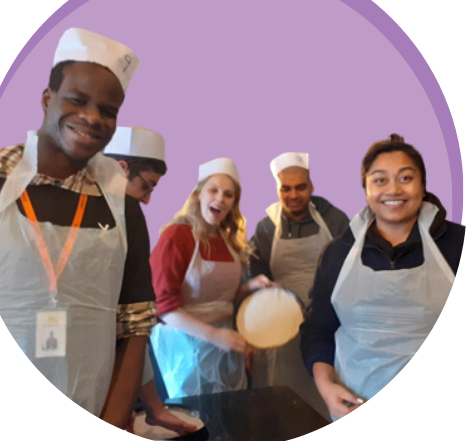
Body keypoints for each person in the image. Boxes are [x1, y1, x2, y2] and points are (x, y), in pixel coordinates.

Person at [0, 28, 156, 430]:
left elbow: (135, 325)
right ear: (46, 99)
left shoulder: (122, 205)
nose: (92, 117)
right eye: (77, 100)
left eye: (107, 110)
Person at [300, 134, 465, 421]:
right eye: (379, 180)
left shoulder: (457, 244)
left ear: (422, 186)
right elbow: (318, 327)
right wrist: (326, 388)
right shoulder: (339, 252)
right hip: (354, 401)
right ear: (365, 190)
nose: (393, 189)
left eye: (405, 178)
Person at [149, 157, 273, 398]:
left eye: (228, 195)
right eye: (213, 190)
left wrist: (249, 287)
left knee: (228, 419)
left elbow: (223, 300)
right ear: (198, 195)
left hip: (225, 346)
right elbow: (163, 307)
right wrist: (213, 335)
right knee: (191, 420)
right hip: (184, 346)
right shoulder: (177, 236)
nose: (220, 198)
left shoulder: (229, 241)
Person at [104, 126, 197, 436]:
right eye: (146, 186)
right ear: (120, 169)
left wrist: (150, 406)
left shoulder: (126, 213)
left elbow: (133, 322)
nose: (145, 200)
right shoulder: (125, 212)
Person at [247, 152, 348, 419]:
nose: (293, 195)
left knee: (326, 395)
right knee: (283, 402)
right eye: (285, 188)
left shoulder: (334, 219)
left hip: (329, 321)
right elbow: (254, 274)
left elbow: (351, 268)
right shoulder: (267, 227)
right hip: (282, 325)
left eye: (300, 187)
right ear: (277, 189)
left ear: (311, 186)